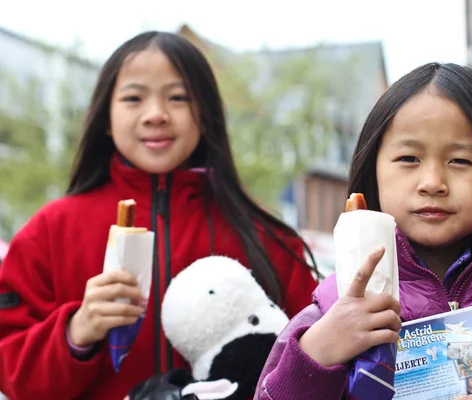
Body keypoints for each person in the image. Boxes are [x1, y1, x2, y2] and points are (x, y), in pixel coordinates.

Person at [0, 31, 319, 400]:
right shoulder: (51, 230)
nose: (156, 115)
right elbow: (11, 372)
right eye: (134, 97)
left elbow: (314, 358)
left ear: (208, 114)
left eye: (178, 97)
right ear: (105, 116)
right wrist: (78, 331)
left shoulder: (264, 235)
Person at [253, 62, 472, 400]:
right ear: (373, 175)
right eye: (408, 158)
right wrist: (317, 352)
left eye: (460, 161)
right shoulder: (336, 305)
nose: (432, 182)